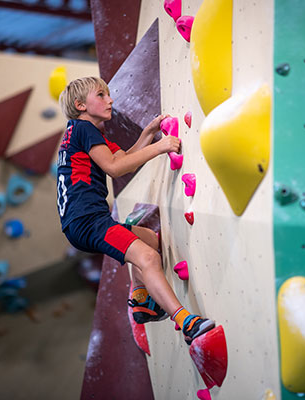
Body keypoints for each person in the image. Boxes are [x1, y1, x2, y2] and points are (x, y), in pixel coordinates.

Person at [57, 76, 215, 345]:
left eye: (108, 95)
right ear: (80, 105)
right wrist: (160, 146)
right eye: (101, 95)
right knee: (148, 259)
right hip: (88, 221)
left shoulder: (83, 131)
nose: (110, 100)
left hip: (82, 222)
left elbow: (124, 160)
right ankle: (186, 321)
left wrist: (148, 133)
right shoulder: (85, 130)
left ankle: (143, 301)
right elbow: (116, 170)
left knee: (150, 241)